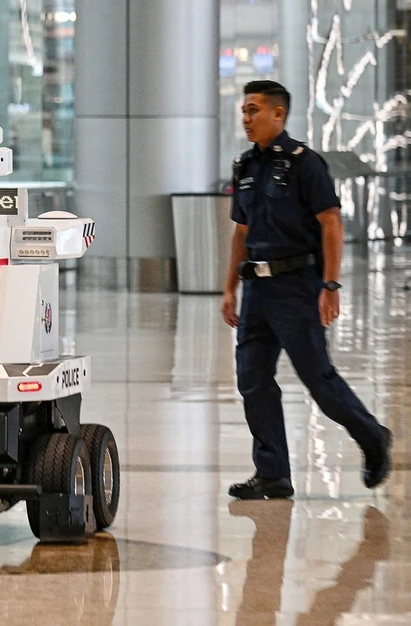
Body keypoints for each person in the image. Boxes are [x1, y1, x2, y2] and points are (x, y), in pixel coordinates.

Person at [221, 80, 391, 500]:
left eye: (254, 110)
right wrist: (229, 289)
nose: (246, 118)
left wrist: (330, 285)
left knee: (318, 379)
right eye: (243, 110)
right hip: (256, 289)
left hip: (297, 286)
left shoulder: (304, 164)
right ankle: (273, 474)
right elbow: (241, 231)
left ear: (279, 115)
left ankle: (372, 436)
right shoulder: (244, 166)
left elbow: (331, 222)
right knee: (253, 380)